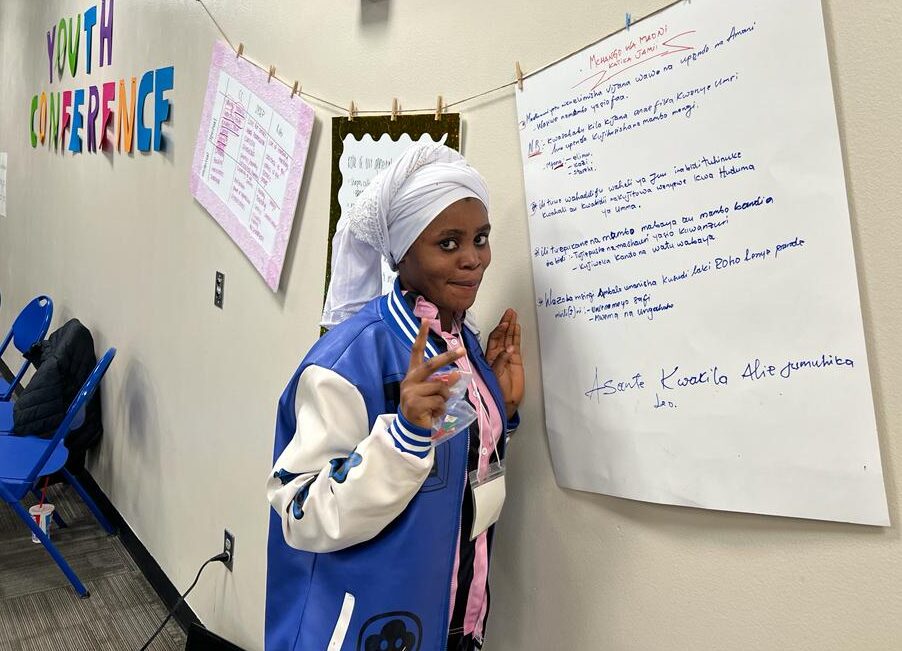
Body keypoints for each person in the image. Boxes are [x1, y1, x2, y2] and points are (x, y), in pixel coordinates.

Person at [265, 142, 523, 651]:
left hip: (452, 613)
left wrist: (502, 410)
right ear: (403, 254)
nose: (473, 259)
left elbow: (457, 474)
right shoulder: (346, 362)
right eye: (448, 244)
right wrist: (400, 440)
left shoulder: (460, 340)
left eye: (481, 238)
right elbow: (299, 511)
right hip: (366, 622)